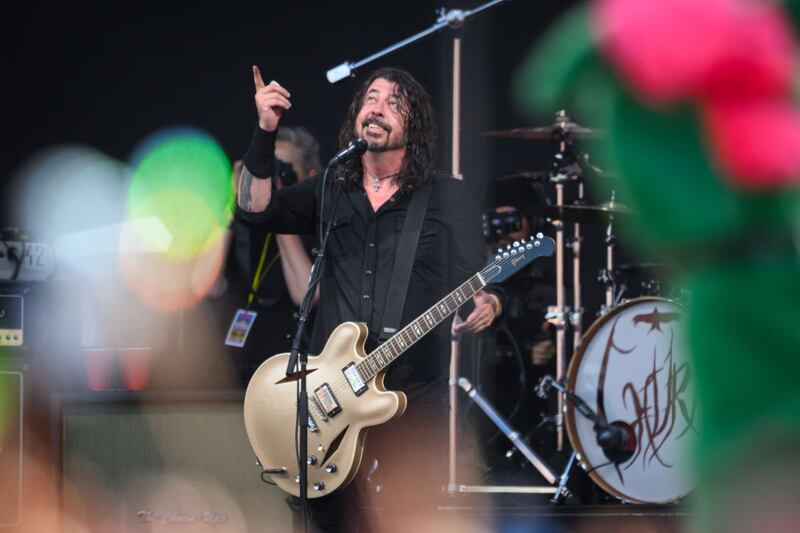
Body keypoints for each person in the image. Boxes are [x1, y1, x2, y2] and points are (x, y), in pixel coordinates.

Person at [237, 65, 505, 531]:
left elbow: (478, 282)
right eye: (371, 99)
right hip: (334, 397)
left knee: (413, 519)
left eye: (394, 103)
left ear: (413, 123)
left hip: (413, 394)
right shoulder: (332, 188)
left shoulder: (446, 197)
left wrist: (489, 304)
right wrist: (265, 130)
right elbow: (256, 211)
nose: (377, 109)